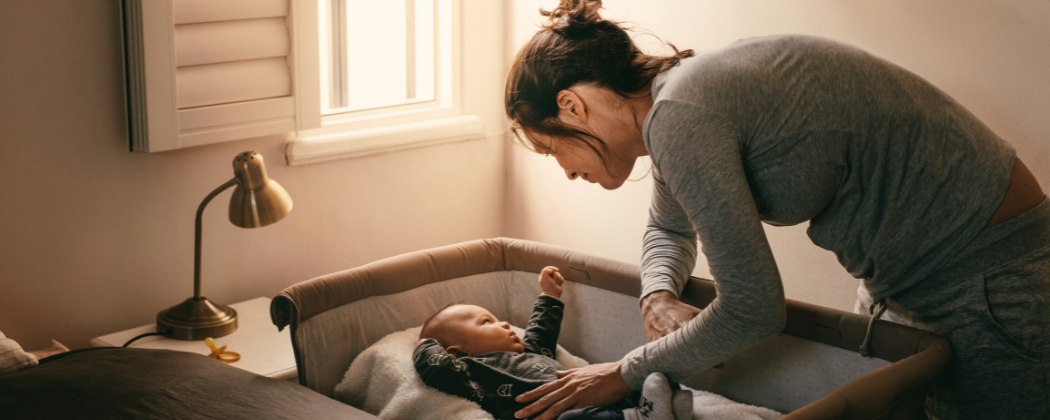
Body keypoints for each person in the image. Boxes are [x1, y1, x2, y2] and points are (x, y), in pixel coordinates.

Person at [503, 1, 1049, 419]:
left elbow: (755, 309)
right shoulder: (674, 104)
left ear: (572, 106)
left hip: (988, 278)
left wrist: (625, 371)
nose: (567, 171)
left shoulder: (681, 115)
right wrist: (658, 295)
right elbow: (668, 225)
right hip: (914, 278)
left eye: (554, 149)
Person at [414, 266, 693, 420]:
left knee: (641, 376)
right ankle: (640, 418)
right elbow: (435, 369)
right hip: (553, 417)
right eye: (487, 322)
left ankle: (662, 408)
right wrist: (425, 343)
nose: (505, 324)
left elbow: (541, 331)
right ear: (457, 352)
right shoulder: (470, 371)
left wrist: (549, 294)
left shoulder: (531, 351)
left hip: (589, 395)